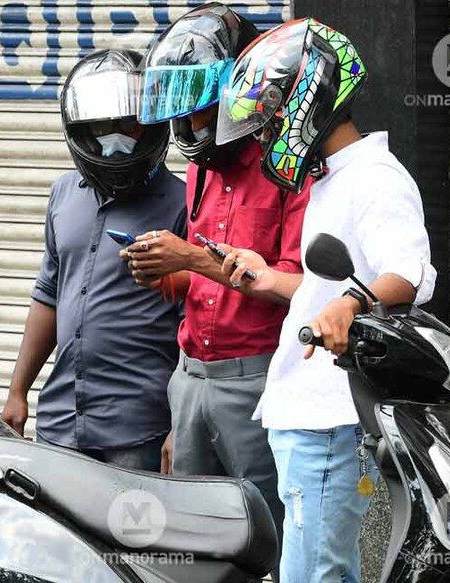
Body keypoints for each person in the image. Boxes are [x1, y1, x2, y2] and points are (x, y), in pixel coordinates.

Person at [214, 19, 436, 582]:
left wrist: (352, 303)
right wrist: (269, 278)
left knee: (313, 574)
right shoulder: (333, 179)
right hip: (307, 414)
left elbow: (409, 272)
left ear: (307, 101)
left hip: (331, 419)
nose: (263, 138)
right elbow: (324, 288)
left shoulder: (375, 178)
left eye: (269, 121)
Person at [124, 1, 304, 557]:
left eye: (200, 112)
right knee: (192, 542)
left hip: (255, 382)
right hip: (191, 378)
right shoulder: (199, 168)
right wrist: (164, 272)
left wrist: (190, 258)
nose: (188, 126)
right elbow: (202, 281)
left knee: (266, 538)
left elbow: (295, 284)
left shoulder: (285, 169)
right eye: (182, 114)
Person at [0, 49, 186, 471]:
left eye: (129, 127)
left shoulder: (183, 203)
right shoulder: (63, 195)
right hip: (61, 421)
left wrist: (181, 423)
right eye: (103, 128)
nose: (116, 140)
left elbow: (194, 322)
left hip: (138, 427)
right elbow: (48, 296)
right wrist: (17, 390)